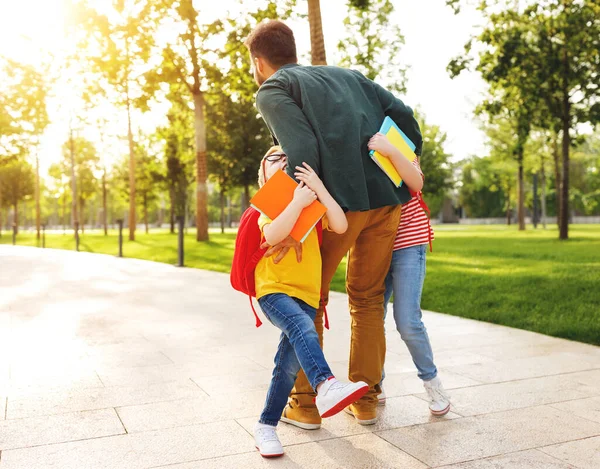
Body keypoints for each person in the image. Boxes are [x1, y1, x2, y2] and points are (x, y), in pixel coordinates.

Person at [245, 20, 423, 427]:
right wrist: (394, 163)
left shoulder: (273, 89)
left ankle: (306, 404)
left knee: (309, 298)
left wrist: (289, 221)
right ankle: (366, 399)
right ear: (292, 49)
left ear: (259, 61)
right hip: (385, 203)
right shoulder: (350, 76)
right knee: (368, 298)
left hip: (336, 207)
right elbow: (406, 119)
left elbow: (301, 153)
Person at [253, 146, 369, 458]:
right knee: (304, 327)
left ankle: (265, 426)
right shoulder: (269, 205)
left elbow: (341, 225)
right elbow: (275, 234)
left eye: (285, 156)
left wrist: (317, 189)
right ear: (263, 177)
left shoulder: (312, 204)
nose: (281, 159)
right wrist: (295, 202)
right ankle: (326, 385)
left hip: (306, 293)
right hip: (273, 290)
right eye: (273, 158)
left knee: (287, 367)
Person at [368, 132, 451, 416]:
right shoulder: (360, 147)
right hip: (376, 247)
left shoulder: (397, 144)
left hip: (407, 245)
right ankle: (374, 384)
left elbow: (416, 183)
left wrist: (390, 150)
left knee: (407, 321)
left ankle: (432, 383)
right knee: (371, 317)